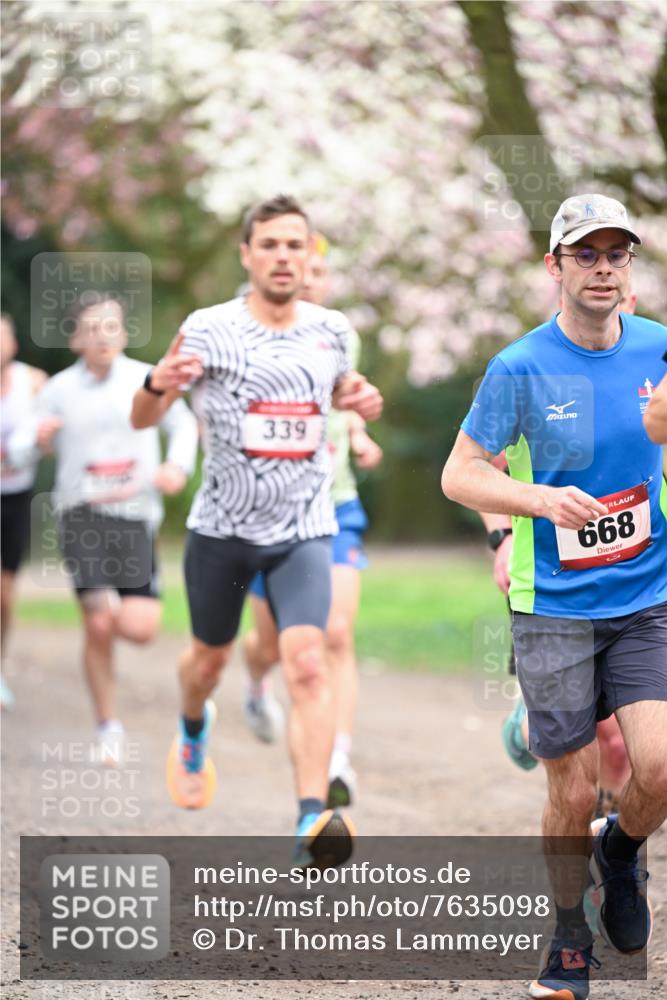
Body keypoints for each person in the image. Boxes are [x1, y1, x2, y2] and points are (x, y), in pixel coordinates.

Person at [442, 193, 667, 999]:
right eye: (585, 254)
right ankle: (567, 938)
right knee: (569, 789)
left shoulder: (658, 348)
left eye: (615, 254)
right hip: (554, 607)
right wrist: (539, 504)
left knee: (660, 767)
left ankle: (619, 852)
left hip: (646, 595)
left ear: (627, 267)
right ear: (555, 267)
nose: (601, 268)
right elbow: (458, 473)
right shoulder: (520, 367)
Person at [130, 195, 382, 869]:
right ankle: (192, 728)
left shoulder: (330, 329)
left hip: (303, 528)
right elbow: (141, 417)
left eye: (294, 245)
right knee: (206, 664)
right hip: (223, 532)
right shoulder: (207, 327)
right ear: (247, 254)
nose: (282, 256)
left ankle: (311, 816)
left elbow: (338, 391)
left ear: (309, 256)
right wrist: (156, 381)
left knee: (307, 660)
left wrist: (359, 401)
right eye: (268, 244)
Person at [12, 293, 198, 763]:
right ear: (75, 339)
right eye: (92, 328)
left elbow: (184, 426)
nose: (102, 337)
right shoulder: (56, 390)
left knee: (139, 629)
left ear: (124, 333)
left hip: (136, 516)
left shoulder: (146, 379)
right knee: (97, 622)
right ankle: (108, 726)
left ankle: (119, 614)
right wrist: (33, 440)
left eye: (111, 326)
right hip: (81, 516)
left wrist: (177, 466)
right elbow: (18, 447)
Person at [241, 239, 383, 810]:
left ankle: (337, 754)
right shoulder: (246, 332)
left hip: (335, 507)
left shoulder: (339, 331)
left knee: (335, 635)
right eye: (305, 268)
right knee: (270, 644)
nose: (311, 279)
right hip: (267, 514)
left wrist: (359, 434)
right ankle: (254, 683)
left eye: (322, 270)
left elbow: (344, 395)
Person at [498, 287, 640, 816]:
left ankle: (612, 842)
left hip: (639, 585)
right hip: (555, 585)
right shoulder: (537, 372)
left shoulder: (652, 370)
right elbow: (481, 469)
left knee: (626, 744)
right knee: (586, 751)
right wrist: (504, 535)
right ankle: (532, 713)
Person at [0, 314, 47, 708]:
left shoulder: (33, 382)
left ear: (13, 344)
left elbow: (52, 432)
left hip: (15, 497)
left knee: (5, 594)